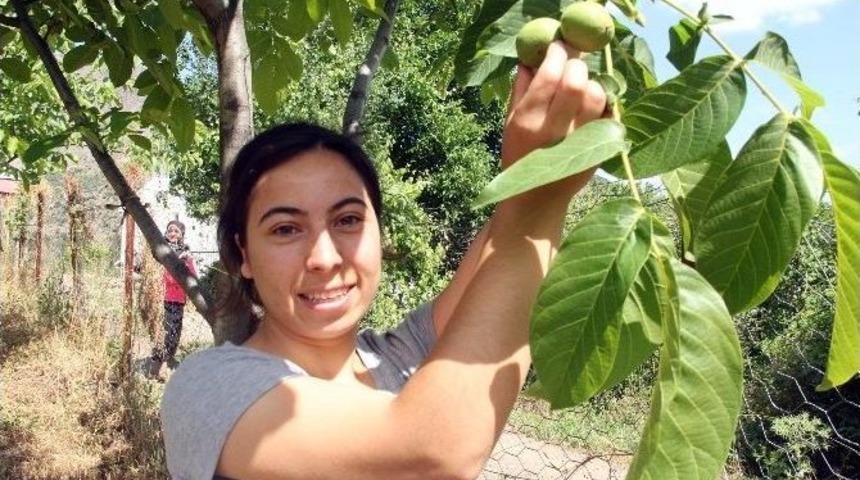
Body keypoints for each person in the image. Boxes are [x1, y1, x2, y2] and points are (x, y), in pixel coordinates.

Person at [160, 41, 606, 479]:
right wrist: (537, 198)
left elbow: (508, 237)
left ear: (379, 231)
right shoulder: (209, 390)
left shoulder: (400, 356)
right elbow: (431, 453)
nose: (324, 257)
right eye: (285, 229)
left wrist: (545, 169)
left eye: (348, 219)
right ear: (243, 256)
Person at [148, 219, 197, 379]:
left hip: (178, 300)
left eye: (176, 231)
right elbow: (167, 277)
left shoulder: (185, 252)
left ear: (182, 234)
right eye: (170, 230)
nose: (173, 233)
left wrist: (188, 260)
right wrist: (177, 262)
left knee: (174, 335)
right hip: (165, 298)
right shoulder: (162, 251)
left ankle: (162, 367)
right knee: (164, 334)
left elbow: (193, 276)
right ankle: (155, 370)